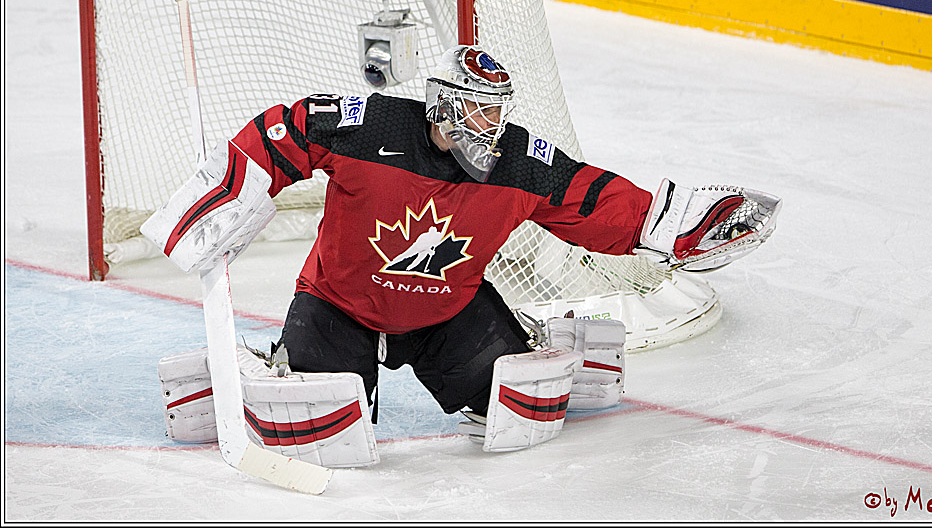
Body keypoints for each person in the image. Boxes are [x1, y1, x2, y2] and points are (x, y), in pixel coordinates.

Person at [144, 44, 781, 458]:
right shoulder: (372, 127)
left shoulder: (517, 160)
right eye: (476, 112)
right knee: (326, 440)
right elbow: (291, 127)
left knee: (522, 421)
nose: (490, 129)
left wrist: (673, 224)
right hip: (340, 304)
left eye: (497, 113)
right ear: (442, 108)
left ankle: (529, 341)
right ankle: (277, 367)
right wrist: (231, 190)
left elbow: (590, 197)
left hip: (450, 313)